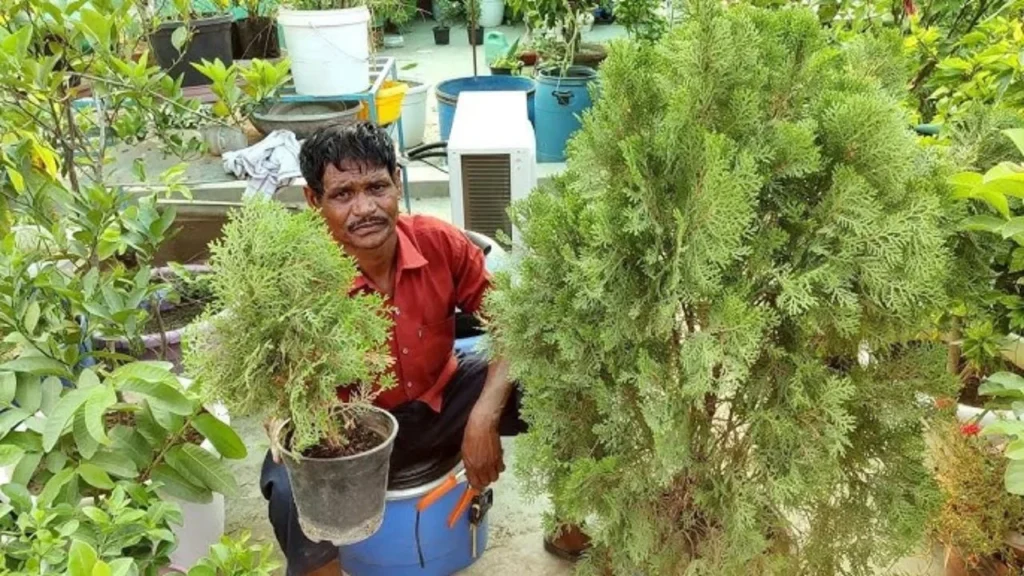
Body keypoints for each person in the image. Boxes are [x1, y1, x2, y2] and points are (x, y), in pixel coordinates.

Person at [259, 123, 590, 576]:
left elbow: (512, 323)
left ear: (397, 181)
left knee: (563, 387)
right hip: (353, 432)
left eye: (376, 186)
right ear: (314, 201)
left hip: (441, 401)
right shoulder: (297, 278)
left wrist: (483, 415)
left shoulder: (440, 243)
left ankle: (568, 523)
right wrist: (283, 414)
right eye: (343, 194)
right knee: (286, 483)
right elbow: (273, 377)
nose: (365, 208)